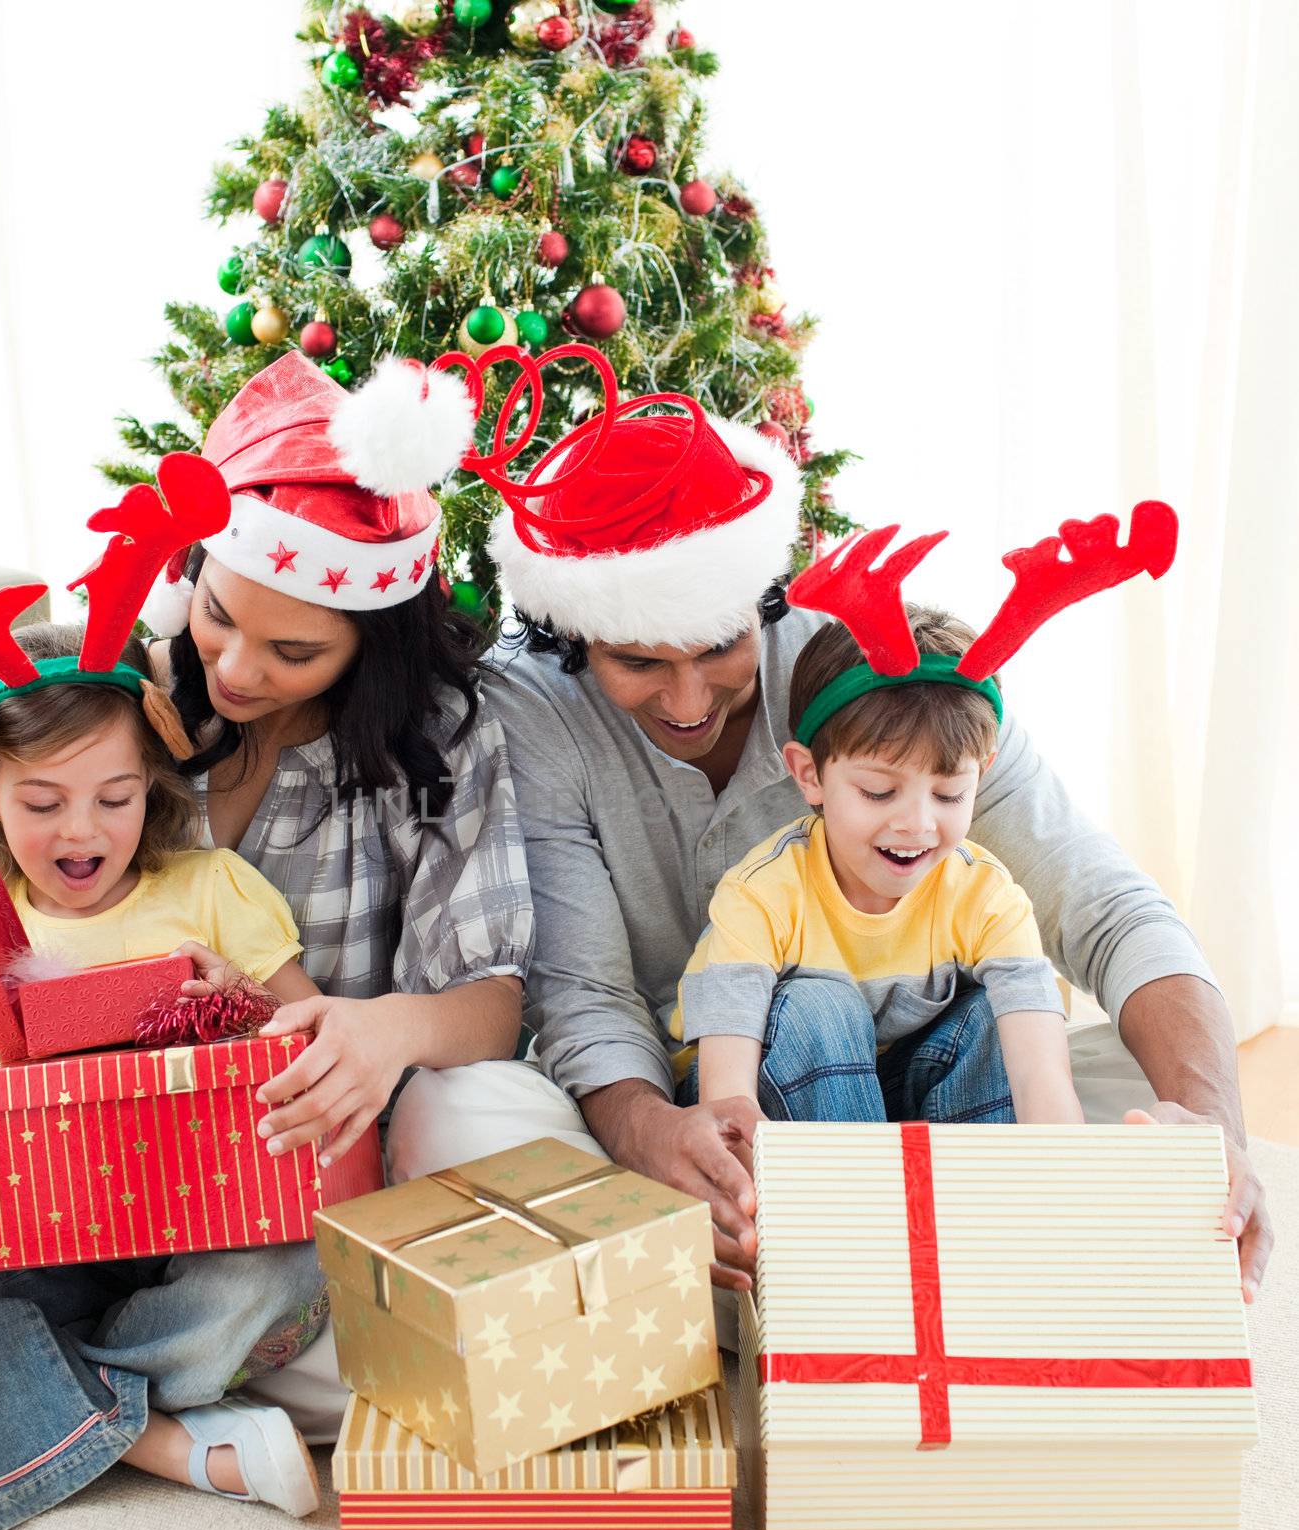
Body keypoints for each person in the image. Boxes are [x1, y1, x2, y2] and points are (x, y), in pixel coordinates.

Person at [388, 344, 1271, 1308]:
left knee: (1116, 1102)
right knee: (457, 1116)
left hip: (931, 1076)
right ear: (574, 634)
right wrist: (656, 1140)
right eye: (638, 661)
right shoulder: (535, 713)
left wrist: (1211, 1127)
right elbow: (587, 996)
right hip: (710, 1102)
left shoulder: (882, 665)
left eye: (721, 648)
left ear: (765, 602)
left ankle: (876, 1285)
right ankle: (812, 1278)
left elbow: (1105, 907)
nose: (688, 700)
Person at [0, 352, 534, 1449]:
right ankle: (131, 1408)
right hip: (48, 1175)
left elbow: (491, 1004)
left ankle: (35, 1396)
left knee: (328, 1296)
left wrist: (370, 1028)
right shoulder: (123, 695)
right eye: (217, 615)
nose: (237, 668)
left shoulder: (436, 738)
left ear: (371, 642)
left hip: (259, 1156)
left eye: (294, 650)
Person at [0, 601, 332, 1530]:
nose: (82, 831)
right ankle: (168, 1444)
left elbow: (306, 1034)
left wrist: (241, 1002)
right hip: (35, 1239)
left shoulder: (210, 890)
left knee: (289, 1265)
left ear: (153, 787)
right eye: (41, 803)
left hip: (193, 1229)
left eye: (115, 797)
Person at [674, 598, 1084, 1128]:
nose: (917, 824)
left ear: (981, 774)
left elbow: (1041, 1075)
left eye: (950, 794)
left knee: (993, 1016)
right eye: (878, 791)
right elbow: (726, 1096)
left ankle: (988, 1195)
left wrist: (1068, 1157)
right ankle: (854, 1197)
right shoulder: (762, 892)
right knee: (822, 1005)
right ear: (809, 775)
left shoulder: (985, 896)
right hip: (746, 1088)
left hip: (889, 1082)